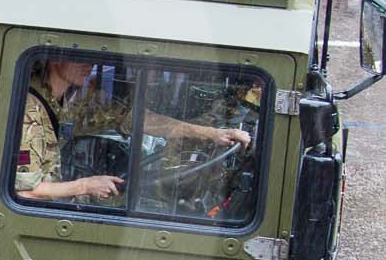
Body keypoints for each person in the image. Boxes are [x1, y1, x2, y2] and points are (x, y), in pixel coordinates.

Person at [15, 55, 251, 206]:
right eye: (80, 58)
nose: (89, 66)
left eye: (91, 59)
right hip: (38, 214)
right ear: (55, 58)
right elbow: (24, 193)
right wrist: (86, 185)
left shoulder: (73, 102)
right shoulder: (29, 111)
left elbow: (140, 119)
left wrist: (213, 134)